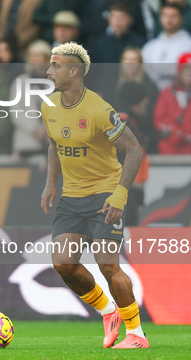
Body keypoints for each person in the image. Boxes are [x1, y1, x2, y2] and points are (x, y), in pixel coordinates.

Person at [41, 42, 149, 349]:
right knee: (63, 264)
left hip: (105, 194)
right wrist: (51, 183)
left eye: (55, 66)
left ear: (73, 71)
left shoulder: (100, 110)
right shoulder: (48, 105)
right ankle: (108, 311)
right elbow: (54, 145)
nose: (49, 71)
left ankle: (137, 335)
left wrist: (120, 194)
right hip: (71, 196)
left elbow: (133, 149)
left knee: (107, 265)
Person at [153, 53, 191, 154]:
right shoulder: (167, 92)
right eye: (186, 68)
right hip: (169, 149)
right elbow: (159, 118)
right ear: (179, 70)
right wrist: (173, 131)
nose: (190, 72)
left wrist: (187, 134)